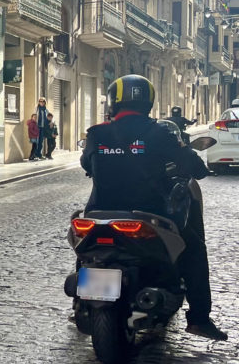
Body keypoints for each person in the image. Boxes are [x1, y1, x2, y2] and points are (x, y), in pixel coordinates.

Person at [80, 74, 226, 341]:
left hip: (100, 213)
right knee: (193, 249)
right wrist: (200, 169)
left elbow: (86, 165)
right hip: (150, 215)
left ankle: (82, 303)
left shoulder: (96, 133)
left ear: (114, 101)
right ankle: (199, 319)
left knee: (87, 249)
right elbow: (191, 164)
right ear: (149, 103)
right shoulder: (160, 132)